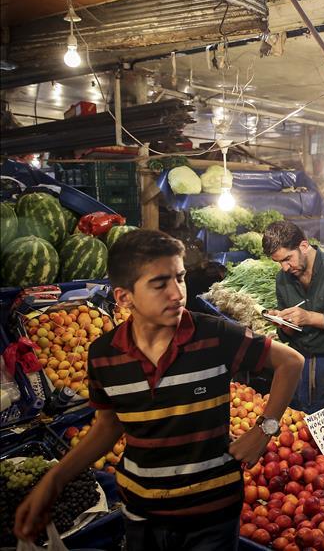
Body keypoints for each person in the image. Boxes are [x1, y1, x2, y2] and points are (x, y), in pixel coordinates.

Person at [14, 230, 304, 548]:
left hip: (213, 516)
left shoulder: (216, 335)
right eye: (159, 284)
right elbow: (109, 426)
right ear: (124, 297)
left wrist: (265, 429)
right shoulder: (104, 355)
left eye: (179, 278)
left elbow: (291, 362)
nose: (177, 293)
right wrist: (54, 480)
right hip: (142, 514)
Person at [262, 220, 324, 440]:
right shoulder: (283, 279)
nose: (285, 268)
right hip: (302, 365)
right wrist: (284, 325)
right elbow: (289, 334)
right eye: (278, 262)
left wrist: (308, 317)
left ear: (304, 246)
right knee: (303, 434)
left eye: (287, 259)